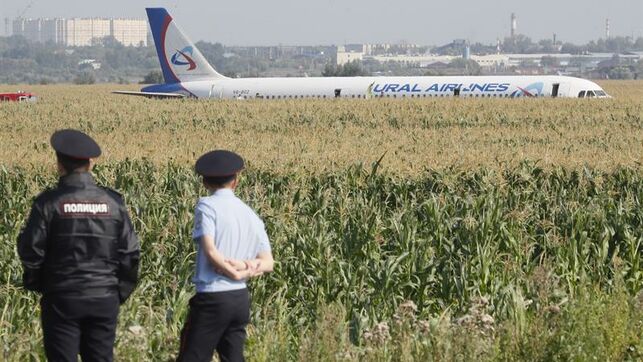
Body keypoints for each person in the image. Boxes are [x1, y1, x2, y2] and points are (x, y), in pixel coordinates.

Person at [17, 129, 140, 362]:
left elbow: (31, 250)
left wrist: (41, 284)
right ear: (90, 164)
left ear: (59, 164)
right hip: (104, 296)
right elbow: (130, 253)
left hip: (62, 296)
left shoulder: (49, 203)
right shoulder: (113, 203)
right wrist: (118, 292)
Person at [177, 150, 274, 362]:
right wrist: (245, 266)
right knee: (233, 358)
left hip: (213, 296)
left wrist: (232, 271)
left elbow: (210, 249)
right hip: (239, 299)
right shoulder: (249, 213)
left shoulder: (207, 205)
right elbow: (268, 262)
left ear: (204, 182)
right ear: (235, 181)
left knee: (192, 356)